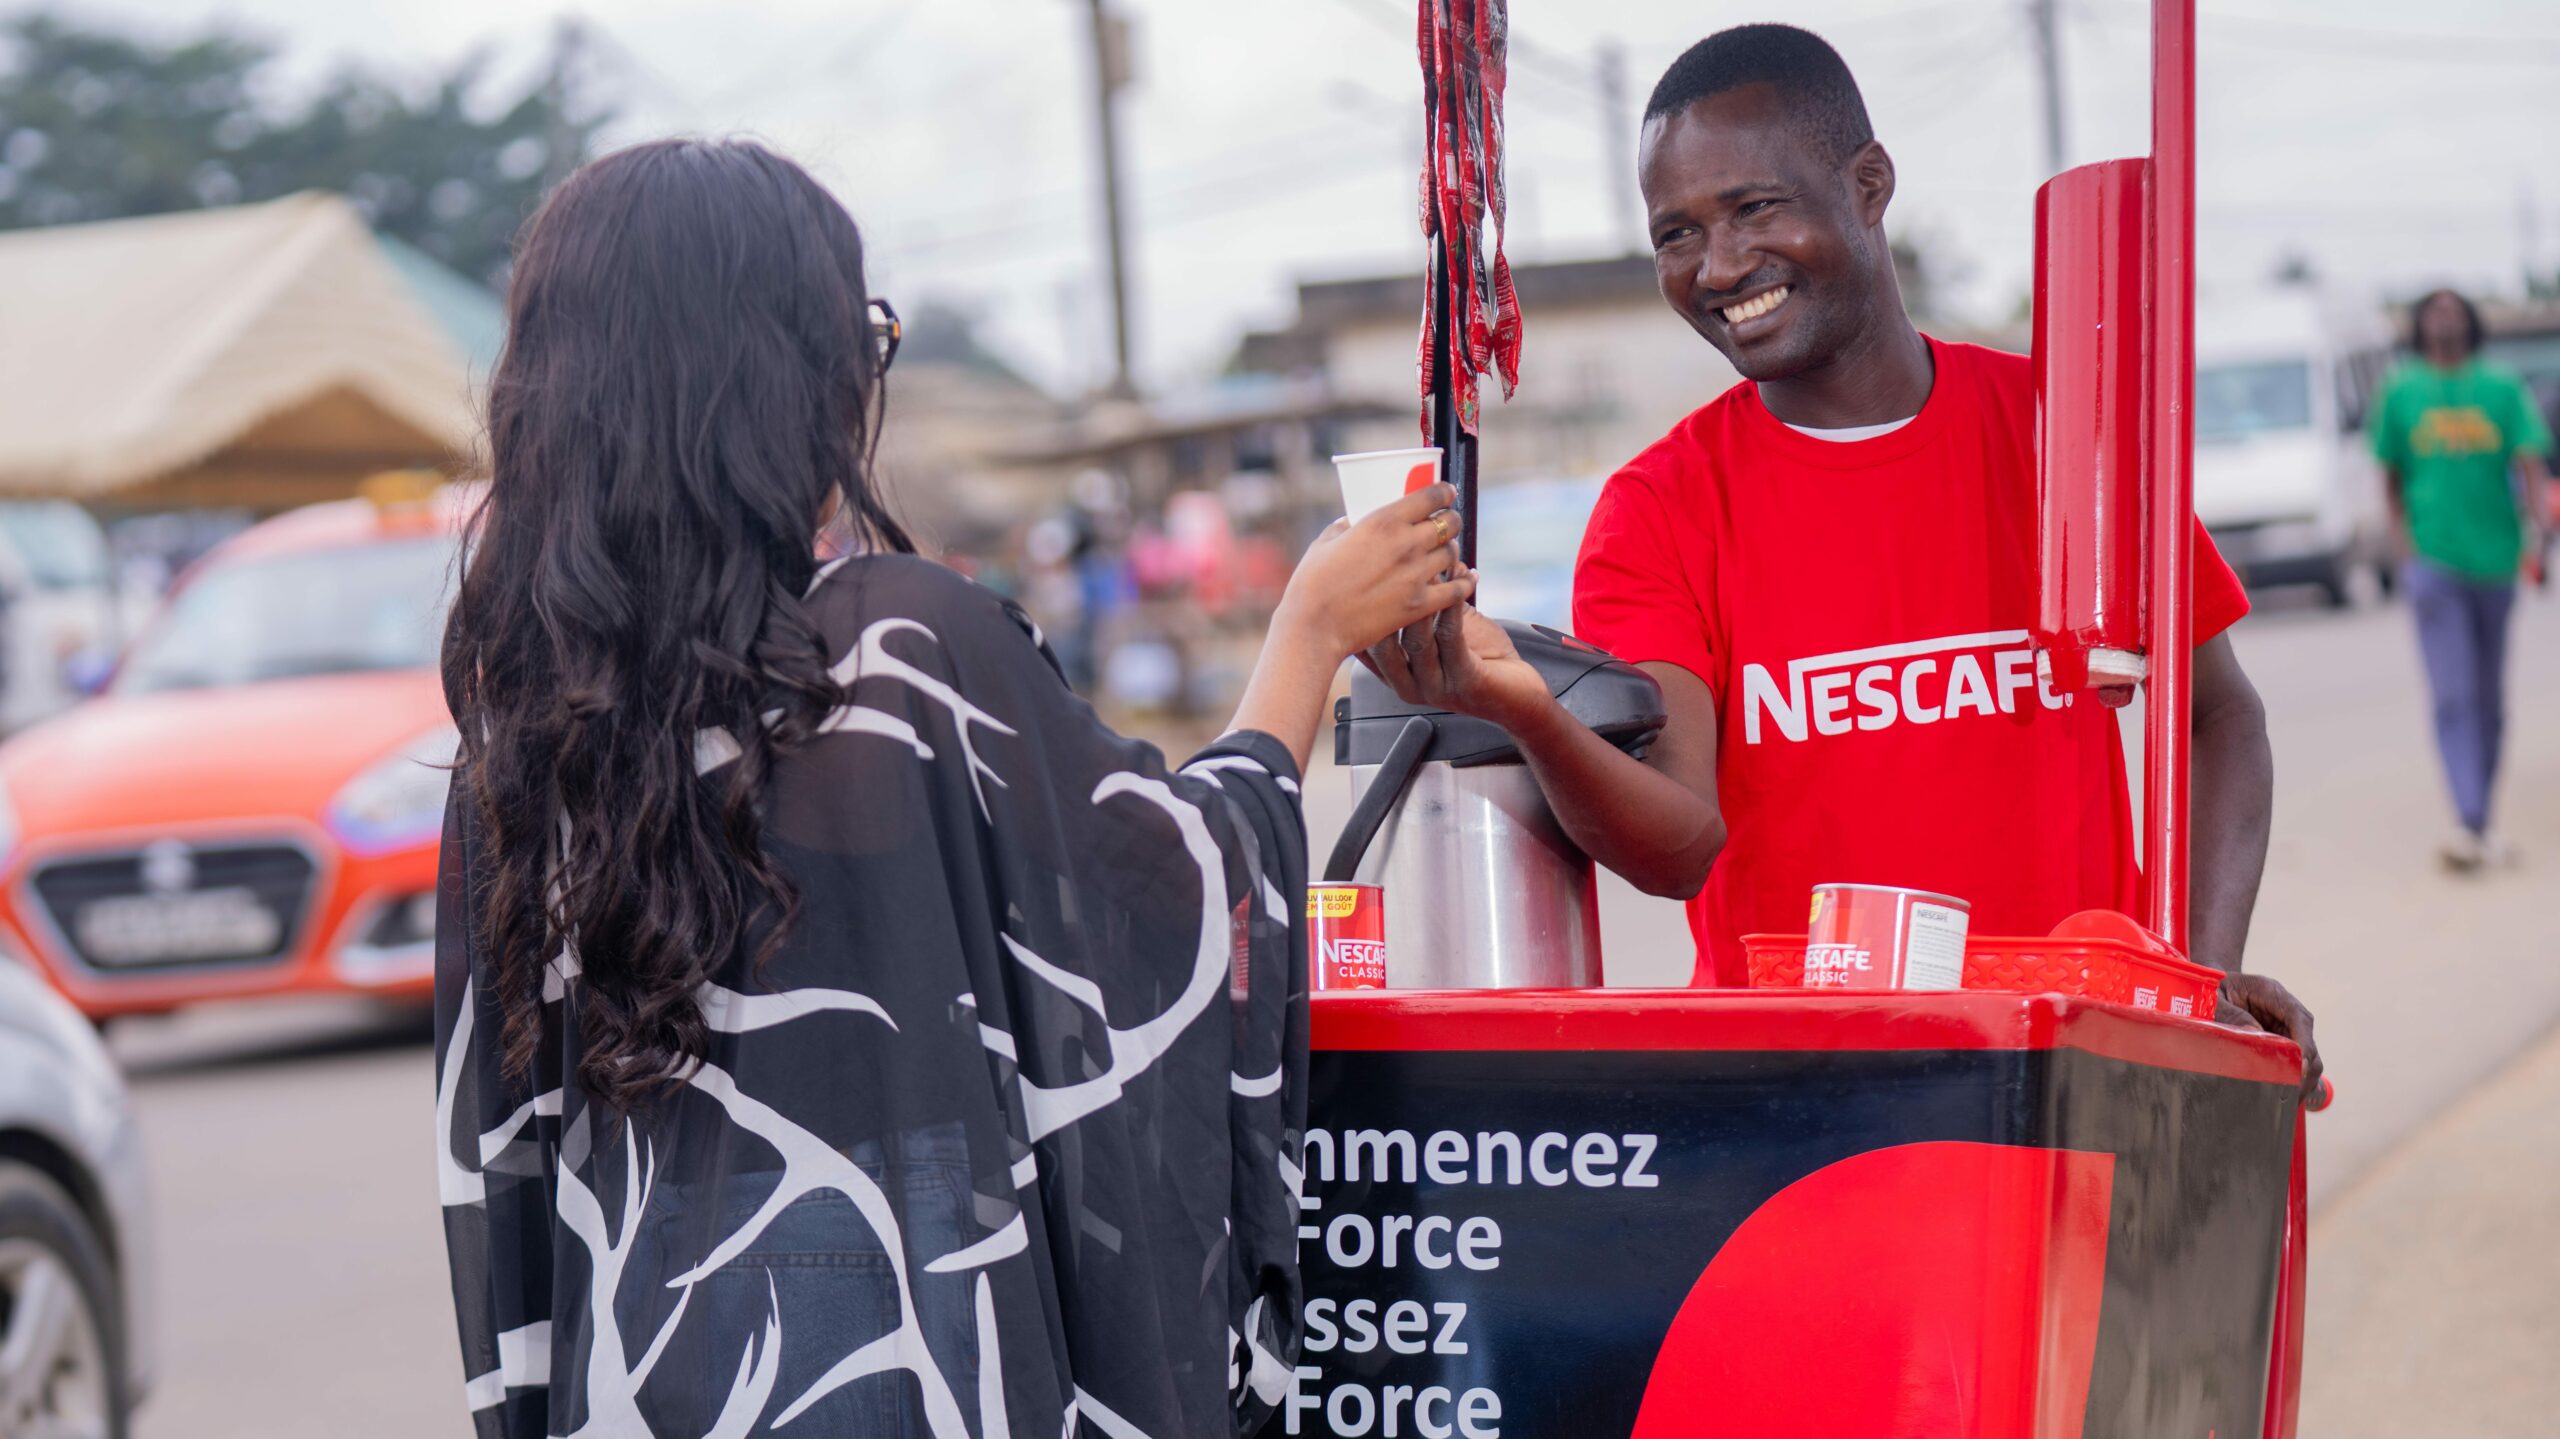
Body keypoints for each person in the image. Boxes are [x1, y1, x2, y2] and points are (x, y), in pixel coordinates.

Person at [432, 139, 1473, 1438]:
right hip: (916, 1380)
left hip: (636, 1389)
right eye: (862, 340)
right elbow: (1176, 901)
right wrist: (1307, 637)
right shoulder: (895, 651)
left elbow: (505, 1181)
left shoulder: (522, 742)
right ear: (786, 380)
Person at [1364, 24, 2322, 1097]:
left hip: (2070, 1077)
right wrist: (1521, 709)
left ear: (1868, 186)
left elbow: (2218, 716)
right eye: (1676, 231)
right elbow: (1679, 845)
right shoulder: (1660, 510)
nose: (1719, 266)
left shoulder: (2069, 435)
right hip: (1802, 1111)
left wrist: (2196, 979)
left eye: (1754, 208)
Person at [2368, 287, 2553, 871]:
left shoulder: (2500, 388)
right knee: (2453, 694)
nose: (2443, 317)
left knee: (2489, 698)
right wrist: (2405, 547)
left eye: (2454, 308)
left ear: (2470, 323)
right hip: (2434, 564)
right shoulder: (2400, 392)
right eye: (2433, 309)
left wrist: (2537, 531)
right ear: (2420, 324)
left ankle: (2483, 817)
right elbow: (2390, 474)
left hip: (2496, 561)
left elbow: (2528, 460)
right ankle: (2468, 819)